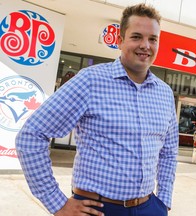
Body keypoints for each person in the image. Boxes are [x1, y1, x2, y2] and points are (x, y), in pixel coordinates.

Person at [16, 3, 178, 216]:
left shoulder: (164, 93)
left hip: (149, 208)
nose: (145, 45)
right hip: (98, 209)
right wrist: (57, 203)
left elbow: (169, 152)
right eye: (136, 37)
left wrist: (163, 201)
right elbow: (31, 136)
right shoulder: (90, 80)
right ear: (120, 41)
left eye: (152, 39)